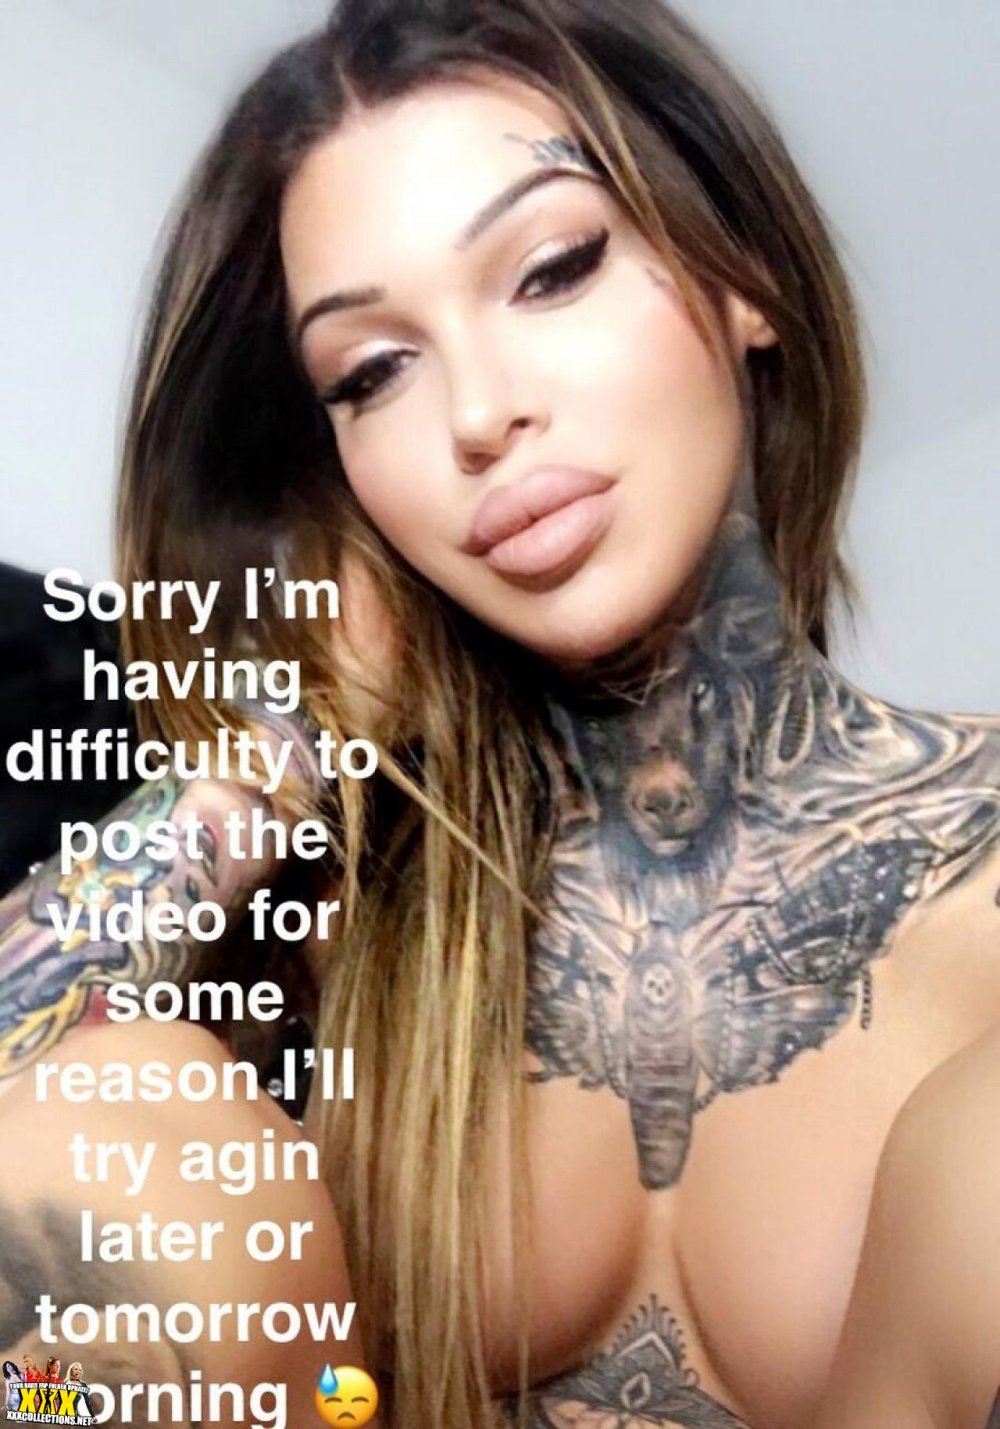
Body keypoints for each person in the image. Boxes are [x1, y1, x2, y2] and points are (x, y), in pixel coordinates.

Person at [1, 2, 998, 1427]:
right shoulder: (343, 925)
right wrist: (278, 758)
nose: (476, 413)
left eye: (553, 268)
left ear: (745, 279)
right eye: (373, 372)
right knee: (107, 1128)